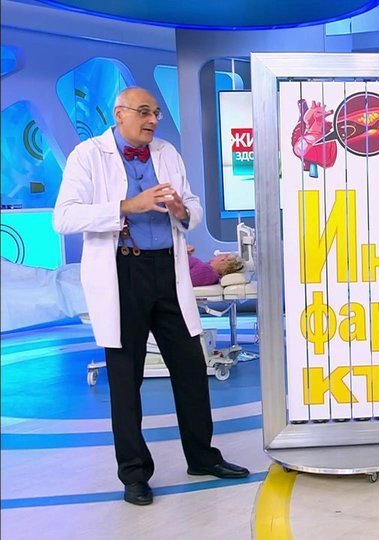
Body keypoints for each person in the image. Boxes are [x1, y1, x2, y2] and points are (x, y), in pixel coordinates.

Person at [53, 87, 249, 506]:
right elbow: (64, 217)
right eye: (144, 112)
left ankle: (202, 456)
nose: (153, 120)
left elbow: (192, 206)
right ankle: (134, 473)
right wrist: (128, 205)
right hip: (122, 272)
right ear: (119, 114)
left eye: (156, 112)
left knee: (191, 368)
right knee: (127, 379)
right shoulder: (87, 155)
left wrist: (181, 211)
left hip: (169, 271)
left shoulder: (167, 153)